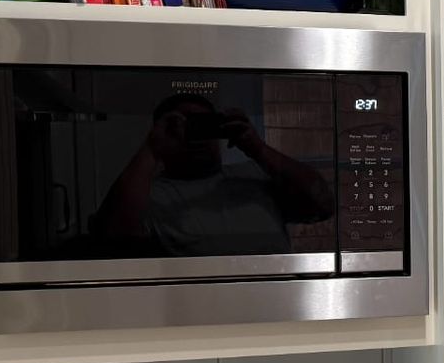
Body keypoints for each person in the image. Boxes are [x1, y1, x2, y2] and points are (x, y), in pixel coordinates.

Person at [93, 93, 334, 255]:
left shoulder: (254, 175)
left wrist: (258, 149)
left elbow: (322, 203)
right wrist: (151, 148)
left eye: (205, 124)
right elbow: (114, 242)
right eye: (181, 127)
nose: (196, 135)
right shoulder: (147, 195)